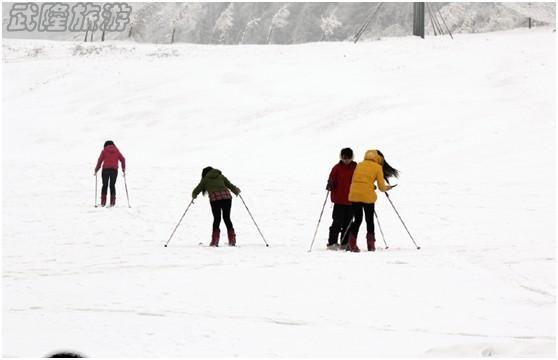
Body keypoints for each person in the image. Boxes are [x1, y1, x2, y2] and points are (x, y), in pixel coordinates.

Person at [347, 149, 399, 252]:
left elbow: (357, 180)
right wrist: (388, 188)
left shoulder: (359, 165)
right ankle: (371, 245)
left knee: (357, 219)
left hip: (354, 194)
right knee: (369, 220)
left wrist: (370, 185)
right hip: (367, 196)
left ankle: (352, 244)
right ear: (378, 158)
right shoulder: (378, 167)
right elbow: (381, 187)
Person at [192, 167, 241, 247]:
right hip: (227, 197)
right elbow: (230, 185)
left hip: (215, 198)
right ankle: (232, 239)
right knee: (227, 218)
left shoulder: (205, 179)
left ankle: (215, 240)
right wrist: (236, 191)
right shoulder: (220, 176)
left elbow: (197, 190)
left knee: (217, 218)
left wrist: (194, 196)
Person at [326, 147, 357, 250]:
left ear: (351, 157)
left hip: (352, 200)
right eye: (344, 158)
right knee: (337, 222)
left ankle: (344, 242)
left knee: (348, 223)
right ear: (341, 157)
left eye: (348, 158)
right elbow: (332, 178)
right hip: (339, 200)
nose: (346, 160)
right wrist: (330, 183)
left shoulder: (356, 167)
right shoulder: (337, 168)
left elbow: (361, 179)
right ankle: (332, 243)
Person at [94, 140, 126, 207]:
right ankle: (112, 202)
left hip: (105, 170)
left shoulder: (104, 151)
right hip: (114, 170)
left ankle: (103, 202)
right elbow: (123, 159)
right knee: (112, 185)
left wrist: (96, 169)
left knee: (104, 185)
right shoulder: (117, 151)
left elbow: (100, 160)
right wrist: (123, 169)